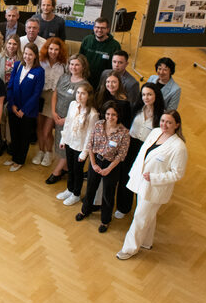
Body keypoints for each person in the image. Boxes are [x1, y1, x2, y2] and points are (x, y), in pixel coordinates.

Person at [116, 110, 188, 260]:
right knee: (148, 214)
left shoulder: (179, 147)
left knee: (140, 216)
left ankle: (129, 249)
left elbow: (177, 174)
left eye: (169, 122)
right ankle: (146, 242)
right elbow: (143, 154)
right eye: (163, 121)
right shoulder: (155, 132)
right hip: (142, 182)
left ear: (177, 125)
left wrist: (154, 178)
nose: (164, 125)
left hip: (156, 187)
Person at [75, 101, 130, 232]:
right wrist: (93, 164)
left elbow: (121, 156)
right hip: (96, 161)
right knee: (90, 188)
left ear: (118, 116)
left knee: (108, 194)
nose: (110, 117)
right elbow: (90, 145)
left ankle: (105, 220)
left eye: (113, 115)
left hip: (112, 165)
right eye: (108, 114)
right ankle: (85, 210)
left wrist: (108, 169)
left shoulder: (124, 133)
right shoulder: (98, 125)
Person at [114, 82, 165, 220]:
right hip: (131, 145)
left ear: (156, 95)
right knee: (126, 176)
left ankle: (140, 210)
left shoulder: (161, 116)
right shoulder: (136, 109)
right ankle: (123, 206)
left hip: (147, 149)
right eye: (143, 94)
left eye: (149, 94)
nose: (146, 97)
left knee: (143, 179)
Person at [46, 53, 92, 185]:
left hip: (71, 123)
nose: (74, 67)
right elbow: (55, 94)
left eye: (77, 64)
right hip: (57, 117)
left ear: (83, 67)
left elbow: (83, 109)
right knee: (60, 145)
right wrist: (54, 113)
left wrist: (65, 120)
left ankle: (57, 171)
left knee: (67, 146)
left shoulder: (85, 85)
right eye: (72, 64)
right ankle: (66, 168)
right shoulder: (64, 77)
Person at [56, 83, 98, 207]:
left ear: (89, 96)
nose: (79, 96)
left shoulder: (93, 114)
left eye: (83, 93)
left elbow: (90, 135)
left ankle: (76, 193)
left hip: (80, 146)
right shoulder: (73, 105)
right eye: (78, 92)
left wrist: (84, 153)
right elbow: (68, 122)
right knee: (70, 168)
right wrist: (63, 140)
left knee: (78, 170)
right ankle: (69, 189)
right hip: (70, 141)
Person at [6, 42, 45, 171]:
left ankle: (19, 160)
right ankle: (13, 157)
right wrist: (12, 105)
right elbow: (10, 86)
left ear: (35, 56)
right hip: (13, 107)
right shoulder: (17, 65)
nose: (27, 56)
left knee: (24, 136)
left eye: (30, 54)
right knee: (14, 133)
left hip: (27, 111)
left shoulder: (39, 71)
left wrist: (24, 110)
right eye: (26, 53)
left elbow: (36, 94)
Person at [34, 37, 67, 166]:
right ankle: (40, 151)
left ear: (60, 51)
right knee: (39, 127)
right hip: (40, 96)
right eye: (51, 49)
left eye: (56, 49)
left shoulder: (64, 64)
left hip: (54, 98)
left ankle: (49, 153)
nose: (53, 52)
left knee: (47, 130)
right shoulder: (41, 61)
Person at [78, 17, 121, 88]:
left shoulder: (115, 45)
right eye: (97, 27)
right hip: (85, 79)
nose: (99, 30)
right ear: (94, 28)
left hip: (103, 82)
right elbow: (80, 59)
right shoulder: (87, 40)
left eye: (103, 28)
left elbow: (115, 67)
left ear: (107, 29)